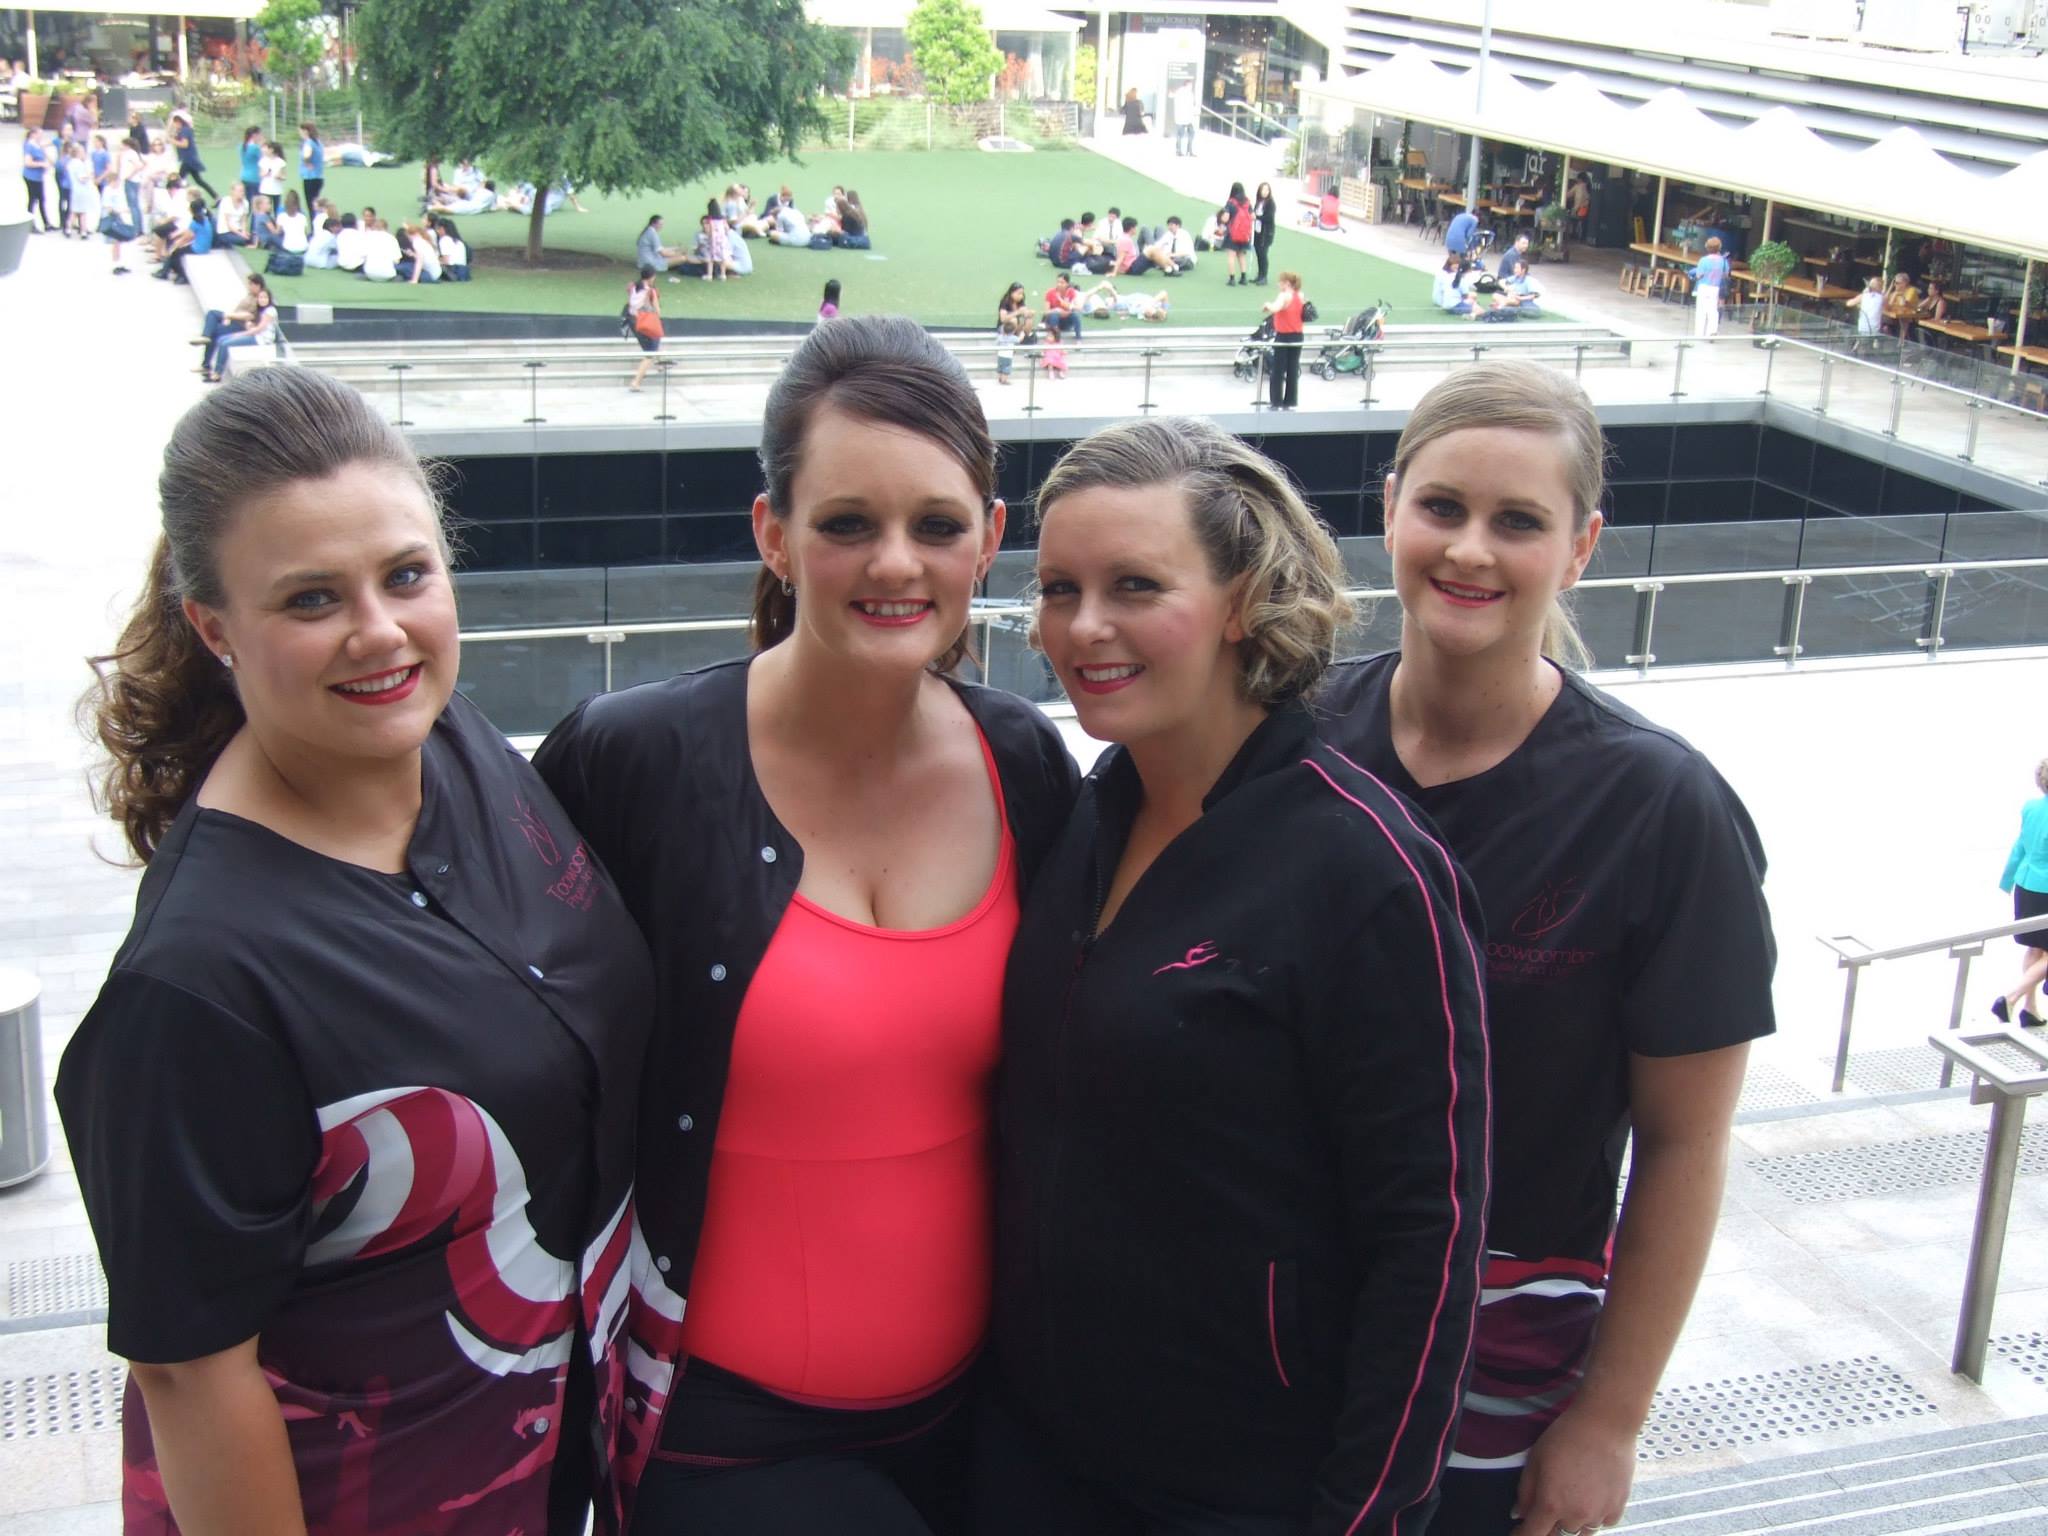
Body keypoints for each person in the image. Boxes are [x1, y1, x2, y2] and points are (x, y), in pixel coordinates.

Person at [60, 366, 651, 1535]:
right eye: (312, 599)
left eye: (406, 576)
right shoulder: (198, 986)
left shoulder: (459, 743)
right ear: (213, 628)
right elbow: (189, 1372)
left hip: (553, 1457)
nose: (380, 633)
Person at [531, 314, 1079, 1532]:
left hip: (981, 1421)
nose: (896, 563)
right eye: (846, 524)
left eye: (936, 525)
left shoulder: (1023, 765)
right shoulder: (637, 764)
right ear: (772, 534)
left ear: (988, 539)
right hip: (720, 1440)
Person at [978, 415, 1488, 1536]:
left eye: (1133, 585)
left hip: (1238, 1491)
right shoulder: (1082, 814)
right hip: (1031, 1459)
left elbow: (1429, 1239)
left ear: (1243, 597)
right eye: (1059, 588)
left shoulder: (1366, 871)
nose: (1083, 627)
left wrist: (1365, 1518)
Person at [1315, 360, 1777, 1536]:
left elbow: (1681, 1144)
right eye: (1442, 508)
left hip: (1503, 1365)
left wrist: (1608, 1419)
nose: (1469, 550)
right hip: (1287, 1333)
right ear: (1387, 508)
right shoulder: (1293, 744)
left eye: (1517, 522)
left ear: (1579, 547)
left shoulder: (1659, 809)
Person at [1995, 759, 2048, 1028]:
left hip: (2026, 884)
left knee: (2035, 948)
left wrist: (2007, 879)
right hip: (2047, 889)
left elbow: (2021, 845)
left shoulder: (2031, 807)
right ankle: (2011, 997)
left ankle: (2031, 1009)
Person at [1263, 270, 1307, 410]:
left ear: (1286, 283)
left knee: (1277, 370)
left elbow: (1275, 308)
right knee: (1293, 369)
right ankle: (1290, 401)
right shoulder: (1300, 295)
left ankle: (1276, 402)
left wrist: (1267, 305)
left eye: (1280, 282)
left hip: (1283, 336)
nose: (1278, 284)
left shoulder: (1284, 296)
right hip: (1298, 335)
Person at [624, 267, 663, 392]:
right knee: (650, 352)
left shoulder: (633, 286)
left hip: (632, 321)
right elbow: (657, 311)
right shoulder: (650, 291)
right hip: (644, 322)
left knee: (653, 342)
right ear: (652, 277)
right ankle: (636, 382)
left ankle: (659, 363)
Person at [168, 108, 217, 199]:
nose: (174, 125)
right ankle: (215, 196)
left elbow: (185, 144)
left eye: (175, 123)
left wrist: (172, 141)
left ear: (179, 122)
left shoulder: (185, 130)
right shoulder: (183, 130)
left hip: (188, 160)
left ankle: (173, 197)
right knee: (198, 180)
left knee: (177, 180)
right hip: (190, 159)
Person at [1689, 236, 1730, 339]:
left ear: (1707, 248)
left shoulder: (1704, 260)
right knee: (1713, 311)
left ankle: (1699, 334)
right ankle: (1712, 332)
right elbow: (1725, 275)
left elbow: (1699, 275)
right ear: (1719, 248)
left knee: (1701, 311)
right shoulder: (1724, 261)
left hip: (1703, 287)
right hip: (1716, 288)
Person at [1217, 181, 1253, 286]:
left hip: (1233, 234)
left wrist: (1222, 219)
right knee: (1241, 255)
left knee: (1231, 256)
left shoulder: (1231, 202)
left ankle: (1232, 279)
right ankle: (1243, 277)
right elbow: (1253, 216)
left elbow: (1226, 218)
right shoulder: (1247, 202)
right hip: (1244, 234)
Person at [636, 213, 687, 278]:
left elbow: (661, 249)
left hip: (643, 263)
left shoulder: (649, 231)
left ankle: (676, 266)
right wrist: (679, 254)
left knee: (677, 256)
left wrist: (676, 248)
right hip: (651, 264)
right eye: (660, 224)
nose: (661, 226)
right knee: (683, 258)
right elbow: (663, 253)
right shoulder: (652, 234)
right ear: (653, 224)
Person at [21, 127, 52, 233]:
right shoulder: (30, 146)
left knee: (41, 199)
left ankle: (46, 223)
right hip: (31, 177)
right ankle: (30, 224)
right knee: (33, 200)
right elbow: (28, 162)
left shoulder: (37, 145)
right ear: (33, 134)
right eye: (40, 134)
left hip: (38, 177)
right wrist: (42, 164)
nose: (41, 137)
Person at [1043, 270, 1083, 345]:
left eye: (1062, 283)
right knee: (1054, 315)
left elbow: (1079, 308)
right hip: (1053, 320)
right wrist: (1056, 310)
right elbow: (1046, 312)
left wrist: (1068, 307)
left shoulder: (1071, 292)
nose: (1059, 284)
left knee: (1075, 315)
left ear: (1067, 284)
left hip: (1066, 319)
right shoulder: (1050, 293)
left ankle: (1079, 339)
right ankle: (1055, 339)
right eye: (1058, 282)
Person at [1846, 275, 1884, 351]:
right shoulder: (1882, 298)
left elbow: (1848, 303)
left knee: (1852, 316)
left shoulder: (1863, 296)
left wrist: (1860, 302)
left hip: (1862, 327)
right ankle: (1873, 343)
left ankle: (1856, 346)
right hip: (1875, 329)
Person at [1251, 180, 1278, 285]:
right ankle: (1260, 274)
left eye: (1267, 190)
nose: (1265, 192)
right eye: (1263, 189)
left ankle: (1264, 276)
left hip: (1266, 234)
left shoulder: (1271, 203)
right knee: (1258, 253)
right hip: (1258, 232)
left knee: (1263, 254)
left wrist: (1256, 217)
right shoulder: (1258, 202)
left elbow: (1269, 218)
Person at [361, 216, 402, 282]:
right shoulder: (391, 238)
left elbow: (362, 256)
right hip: (387, 275)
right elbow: (397, 261)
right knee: (400, 277)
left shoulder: (368, 235)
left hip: (369, 273)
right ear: (386, 228)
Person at [701, 196, 732, 281]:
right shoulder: (722, 218)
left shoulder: (710, 219)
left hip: (713, 240)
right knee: (722, 258)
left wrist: (709, 237)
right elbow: (727, 228)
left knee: (710, 259)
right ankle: (723, 274)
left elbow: (711, 230)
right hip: (722, 240)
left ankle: (709, 275)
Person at [213, 179, 251, 247]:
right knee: (242, 240)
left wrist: (243, 232)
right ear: (233, 192)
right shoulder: (226, 201)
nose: (242, 193)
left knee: (251, 238)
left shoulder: (245, 203)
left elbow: (243, 220)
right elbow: (229, 225)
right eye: (239, 191)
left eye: (243, 191)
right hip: (225, 231)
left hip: (238, 230)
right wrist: (241, 234)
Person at [299, 121, 326, 212]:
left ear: (305, 131)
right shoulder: (318, 143)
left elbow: (307, 155)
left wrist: (307, 162)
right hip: (319, 176)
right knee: (316, 203)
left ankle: (313, 224)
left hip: (309, 177)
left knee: (311, 205)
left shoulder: (308, 143)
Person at [277, 189, 310, 255]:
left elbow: (278, 232)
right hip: (303, 247)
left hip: (287, 248)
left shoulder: (281, 216)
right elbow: (305, 232)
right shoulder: (302, 216)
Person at [238, 124, 263, 208]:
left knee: (247, 202)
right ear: (254, 135)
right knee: (256, 204)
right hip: (254, 178)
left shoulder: (241, 146)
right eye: (259, 135)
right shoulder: (255, 148)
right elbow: (263, 159)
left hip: (244, 176)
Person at [1171, 78, 1197, 155]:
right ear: (1187, 85)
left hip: (1186, 117)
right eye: (1190, 85)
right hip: (1183, 116)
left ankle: (1185, 150)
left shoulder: (1186, 92)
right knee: (1181, 134)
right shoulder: (1183, 92)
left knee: (1188, 133)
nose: (1191, 87)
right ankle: (1182, 150)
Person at [258, 139, 288, 206]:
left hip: (276, 190)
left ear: (271, 150)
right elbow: (260, 174)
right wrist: (265, 173)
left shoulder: (281, 162)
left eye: (267, 148)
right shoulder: (263, 160)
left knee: (276, 208)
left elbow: (284, 176)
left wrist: (279, 177)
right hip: (265, 189)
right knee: (265, 207)